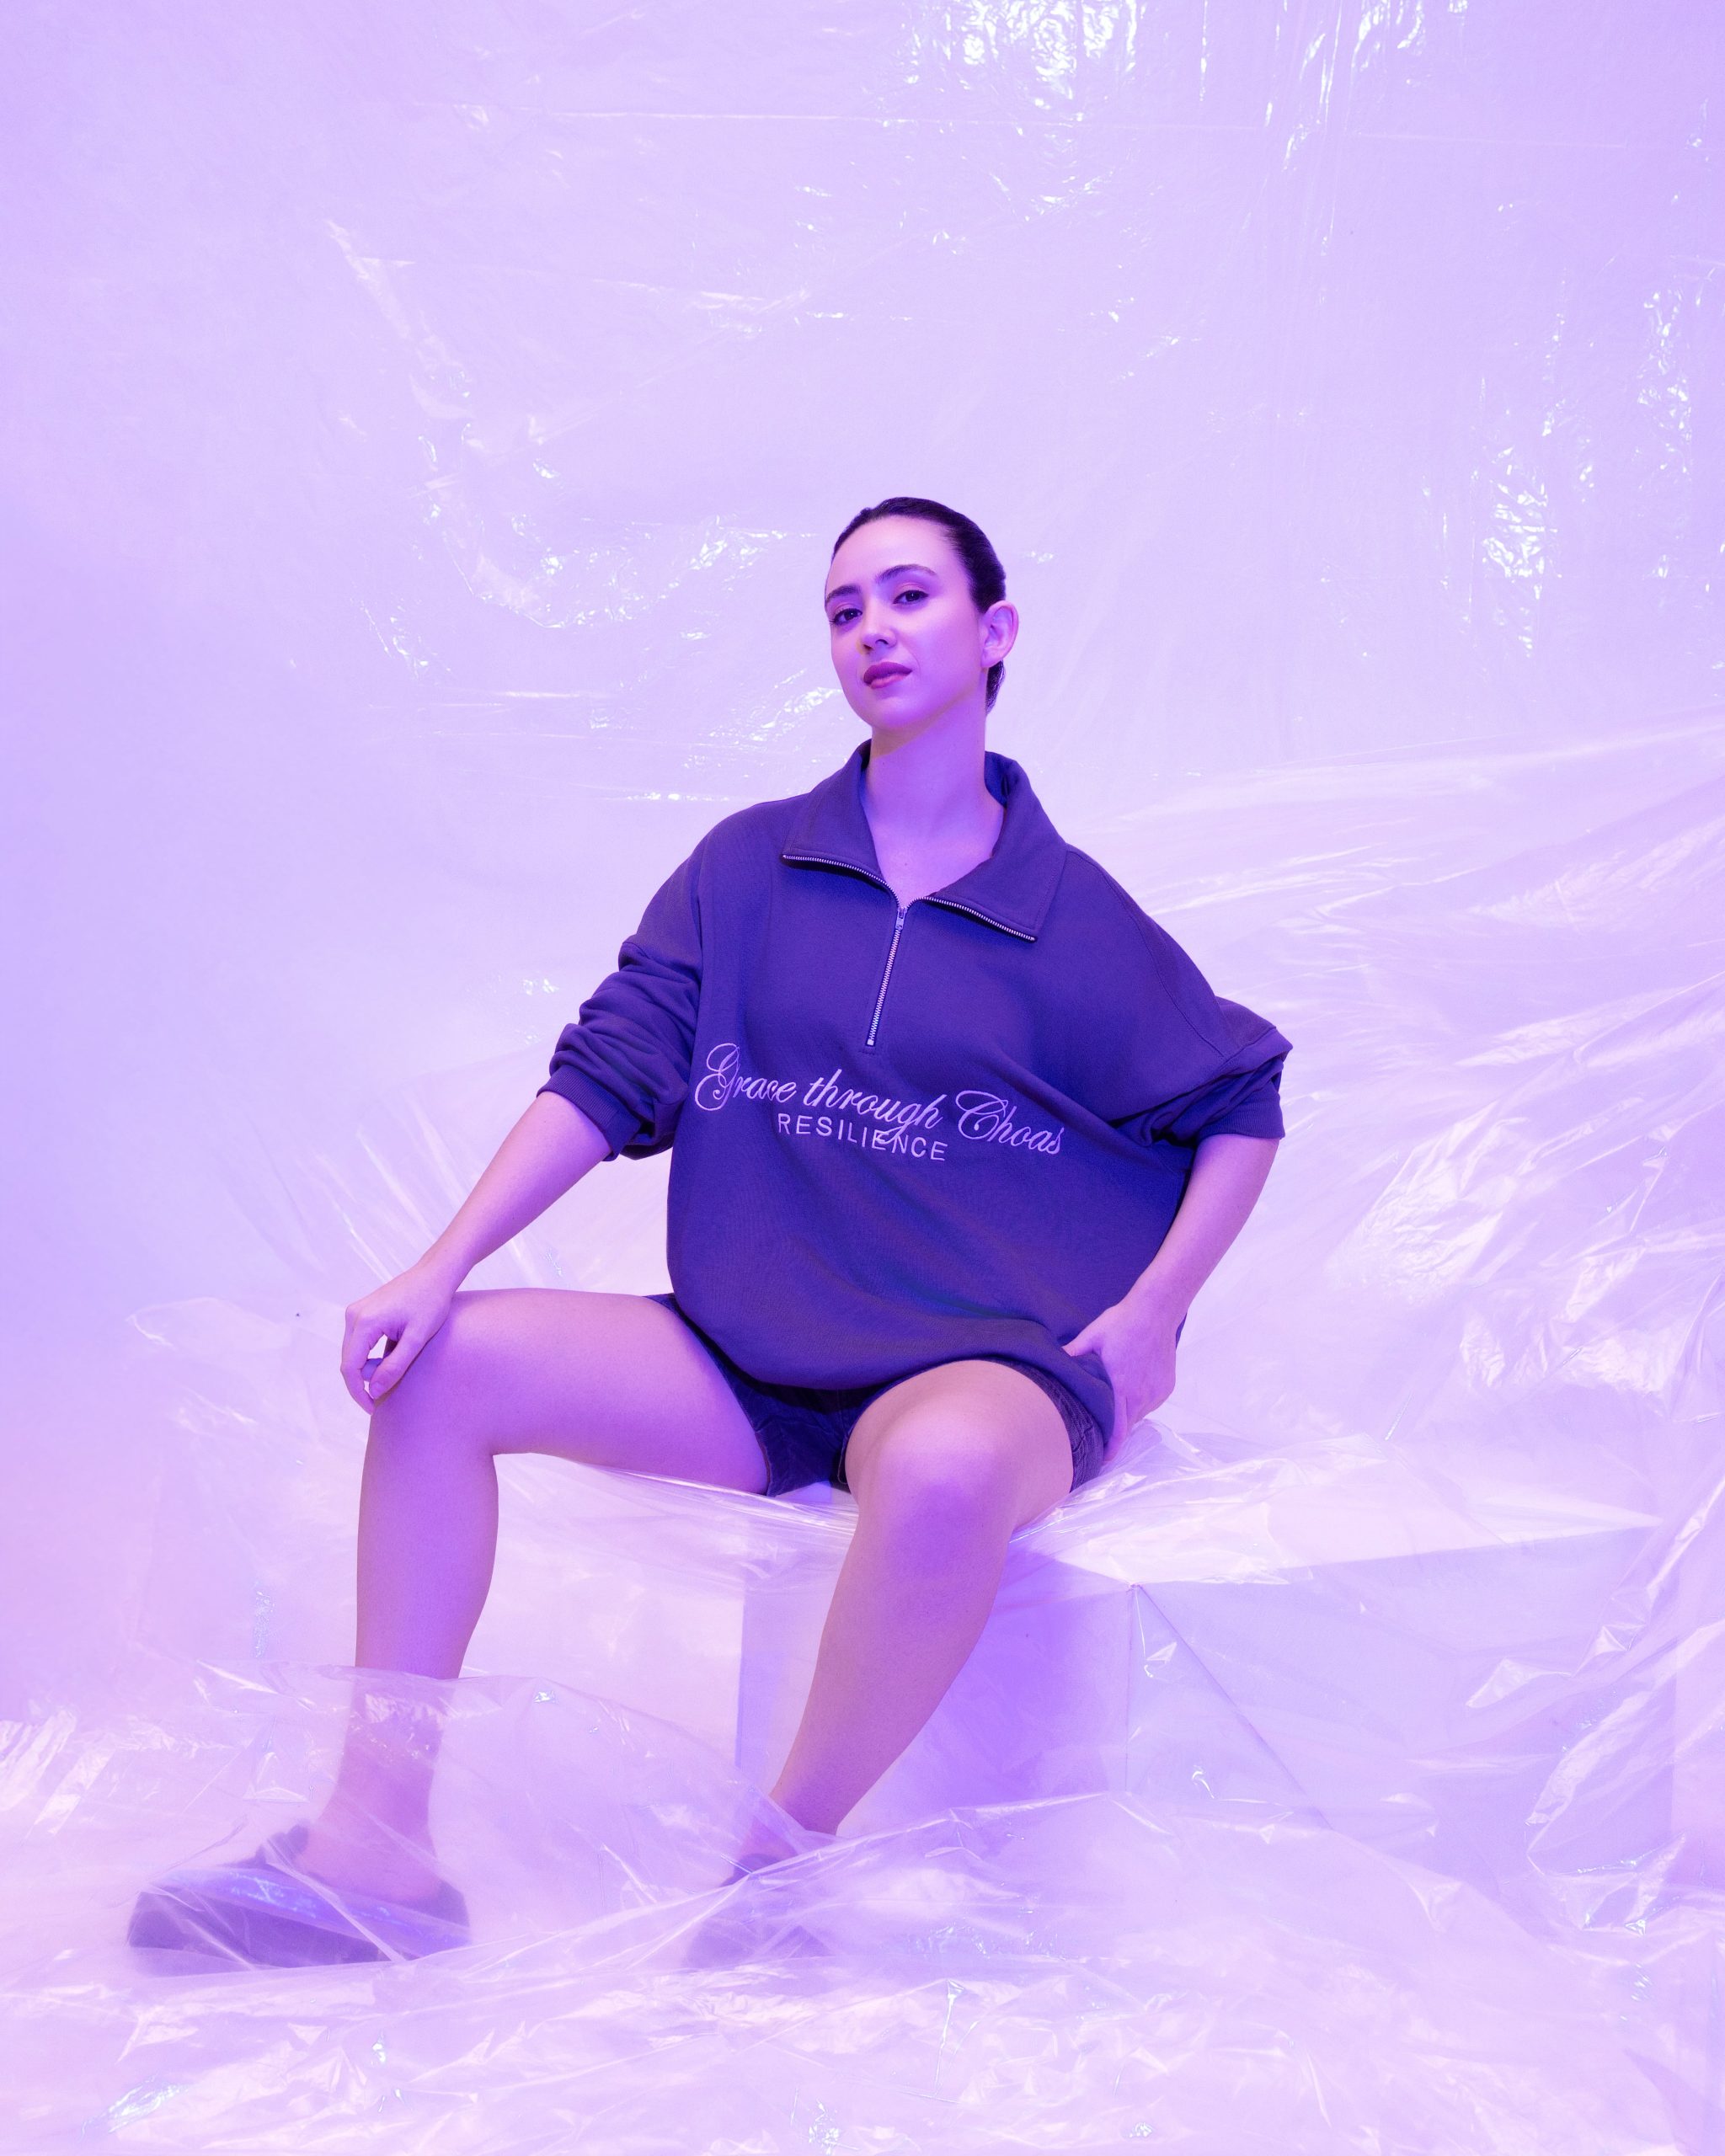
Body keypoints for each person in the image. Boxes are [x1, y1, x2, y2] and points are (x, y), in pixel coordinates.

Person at [128, 495, 1290, 1968]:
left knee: (939, 1471)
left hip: (981, 1364)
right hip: (753, 1355)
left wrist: (1158, 1309)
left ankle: (777, 1878)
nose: (873, 629)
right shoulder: (750, 867)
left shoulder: (1071, 915)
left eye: (911, 596)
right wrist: (443, 1264)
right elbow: (612, 1070)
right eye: (845, 608)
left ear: (995, 631)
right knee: (438, 1370)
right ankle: (374, 1853)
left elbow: (1240, 1097)